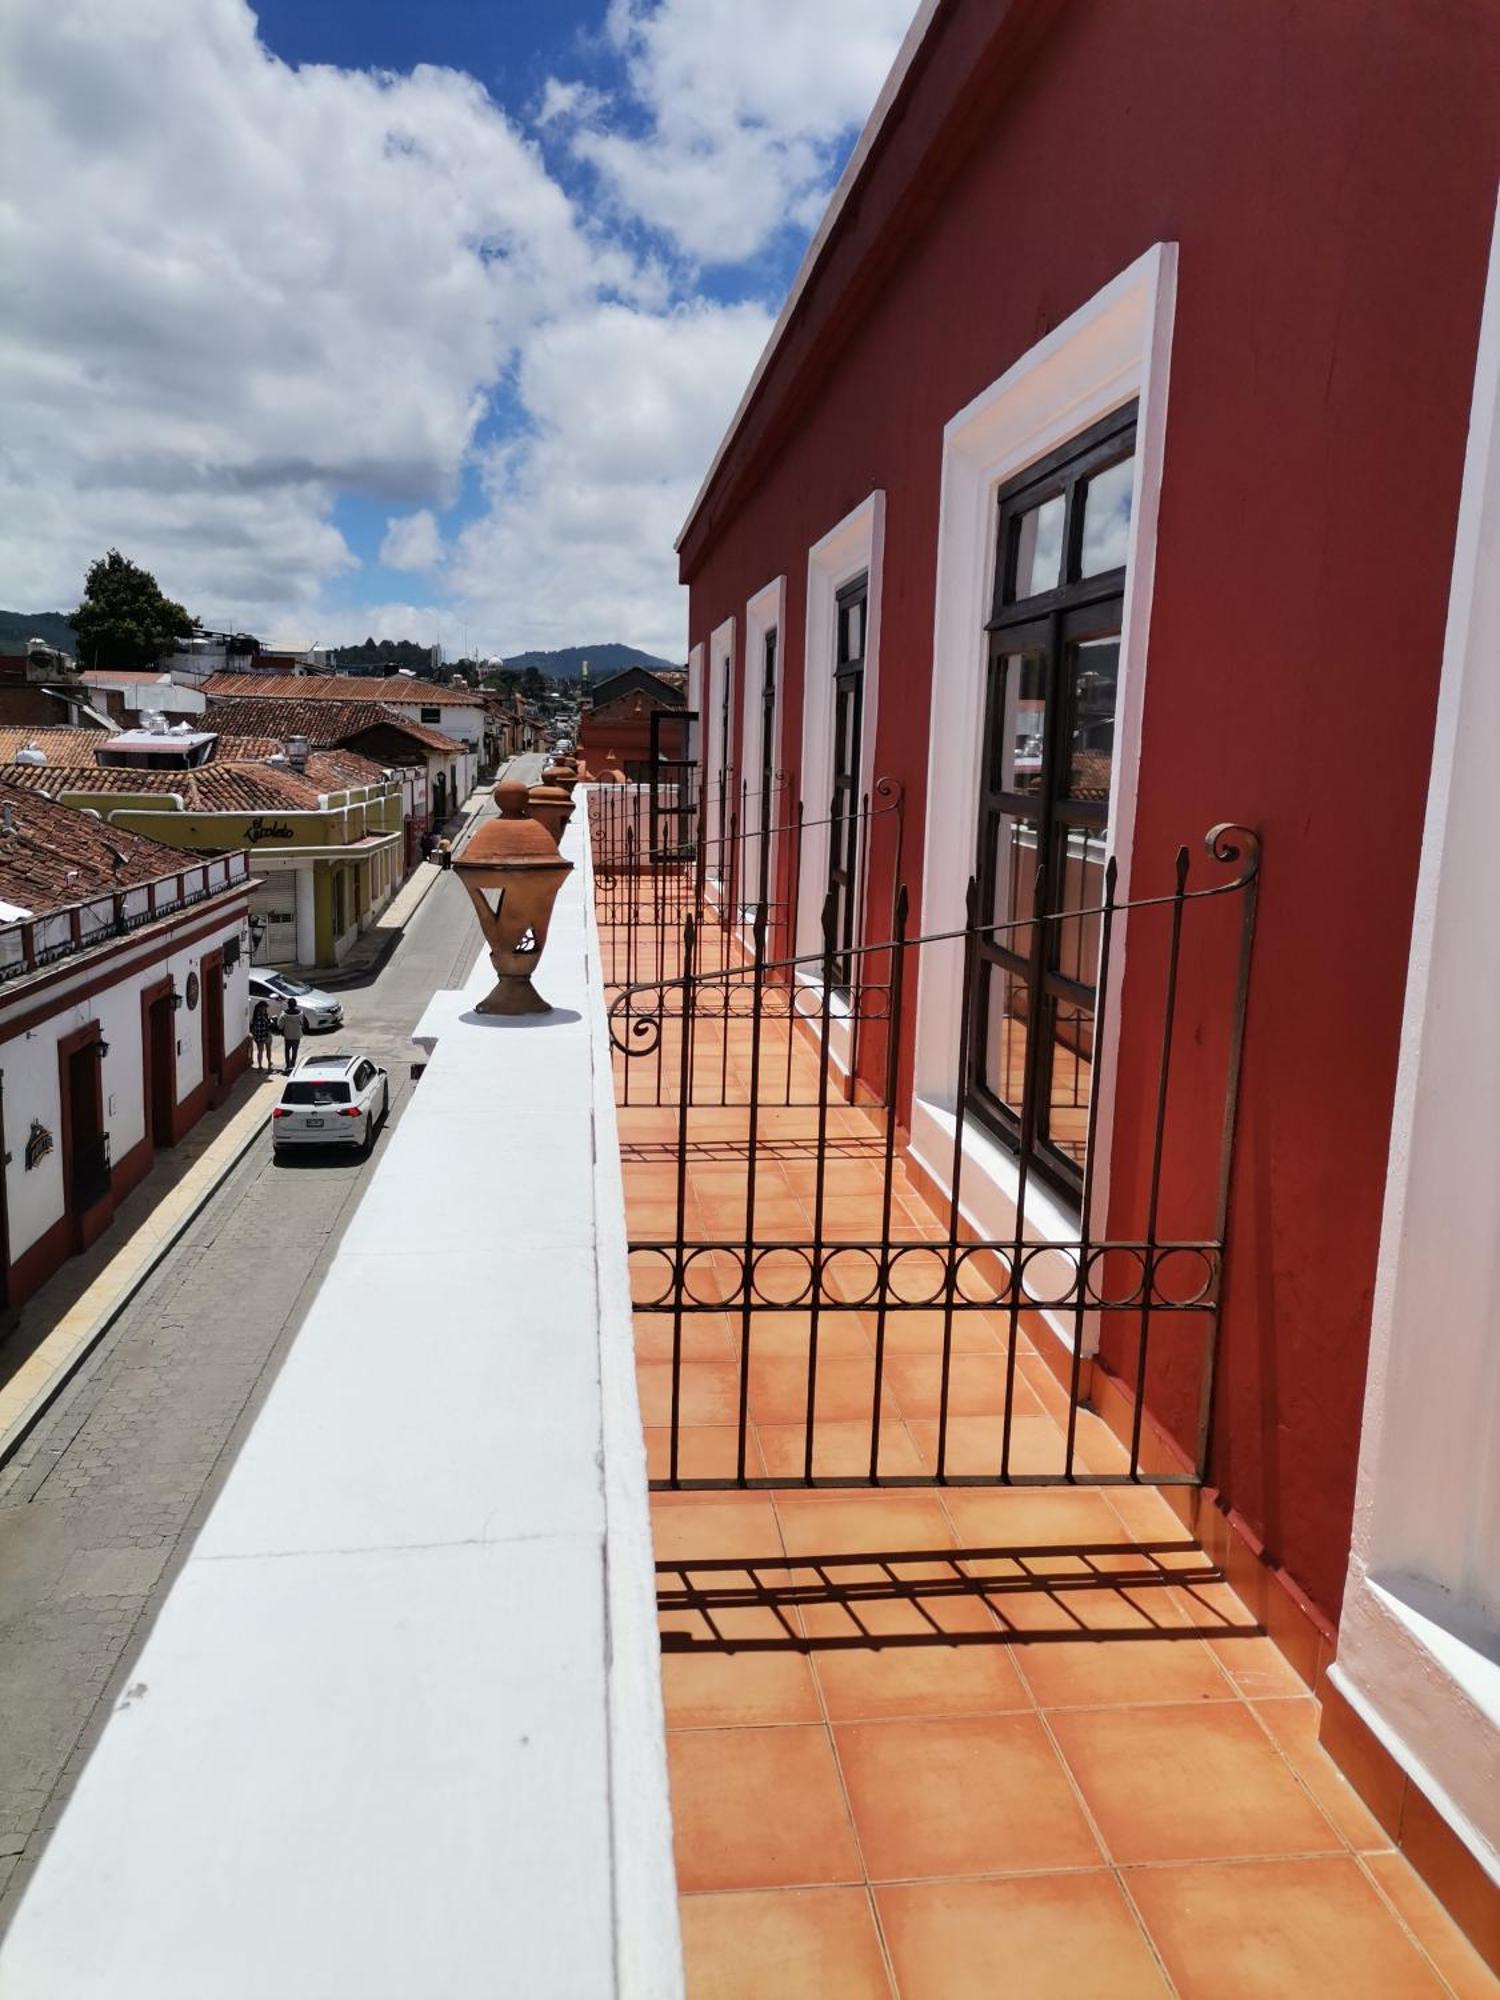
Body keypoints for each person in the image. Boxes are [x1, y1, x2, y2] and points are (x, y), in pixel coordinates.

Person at [279, 996, 305, 1074]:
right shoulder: (300, 1013)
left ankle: (288, 1065)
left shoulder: (284, 1014)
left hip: (288, 1035)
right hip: (297, 1035)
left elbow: (280, 1025)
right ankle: (293, 1064)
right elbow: (302, 1023)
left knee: (287, 1051)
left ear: (288, 1005)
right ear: (295, 1005)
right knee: (295, 1050)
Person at [249, 995, 275, 1072]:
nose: (265, 1009)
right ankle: (265, 1064)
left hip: (260, 1037)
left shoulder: (257, 1016)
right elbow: (264, 1026)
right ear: (260, 1008)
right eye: (264, 1007)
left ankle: (264, 1064)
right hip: (263, 1036)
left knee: (264, 1050)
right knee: (264, 1050)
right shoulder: (260, 1017)